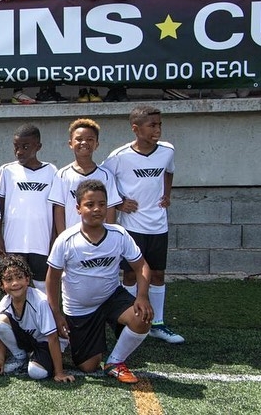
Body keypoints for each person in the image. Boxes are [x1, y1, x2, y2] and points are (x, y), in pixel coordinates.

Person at [46, 180, 153, 384]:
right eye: (90, 204)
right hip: (79, 308)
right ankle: (85, 340)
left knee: (143, 317)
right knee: (88, 366)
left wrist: (142, 295)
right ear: (78, 208)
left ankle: (115, 361)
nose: (97, 209)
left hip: (111, 298)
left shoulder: (118, 234)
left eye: (102, 204)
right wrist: (57, 313)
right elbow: (52, 278)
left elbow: (142, 266)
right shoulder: (66, 240)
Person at [102, 106, 184, 344]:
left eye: (159, 125)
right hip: (132, 227)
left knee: (157, 274)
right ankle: (128, 321)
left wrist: (167, 194)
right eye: (152, 125)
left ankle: (157, 323)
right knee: (130, 274)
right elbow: (103, 180)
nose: (157, 129)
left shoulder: (167, 151)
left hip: (159, 225)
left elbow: (168, 172)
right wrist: (118, 204)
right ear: (136, 129)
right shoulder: (119, 156)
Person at [0, 255, 74, 382]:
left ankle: (38, 359)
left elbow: (52, 338)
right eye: (8, 279)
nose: (15, 283)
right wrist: (0, 358)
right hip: (27, 339)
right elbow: (1, 334)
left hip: (44, 342)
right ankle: (20, 357)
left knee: (36, 373)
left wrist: (59, 372)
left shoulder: (40, 302)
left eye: (19, 277)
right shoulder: (5, 303)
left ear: (27, 279)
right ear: (1, 285)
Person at [0, 124, 56, 292]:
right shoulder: (7, 171)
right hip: (14, 240)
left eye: (25, 146)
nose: (19, 151)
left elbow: (57, 208)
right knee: (16, 283)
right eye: (16, 147)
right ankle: (17, 317)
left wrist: (54, 238)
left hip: (41, 241)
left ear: (38, 147)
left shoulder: (51, 171)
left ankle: (44, 318)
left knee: (42, 285)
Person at [48, 118, 122, 236]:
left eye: (90, 139)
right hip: (73, 240)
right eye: (79, 139)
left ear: (96, 144)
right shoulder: (62, 175)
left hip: (99, 238)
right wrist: (63, 238)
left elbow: (110, 209)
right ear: (70, 144)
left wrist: (109, 237)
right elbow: (59, 210)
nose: (84, 143)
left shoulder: (106, 175)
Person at [102, 0, 154, 102]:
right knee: (113, 49)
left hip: (138, 6)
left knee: (131, 52)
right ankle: (114, 89)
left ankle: (123, 88)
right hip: (114, 5)